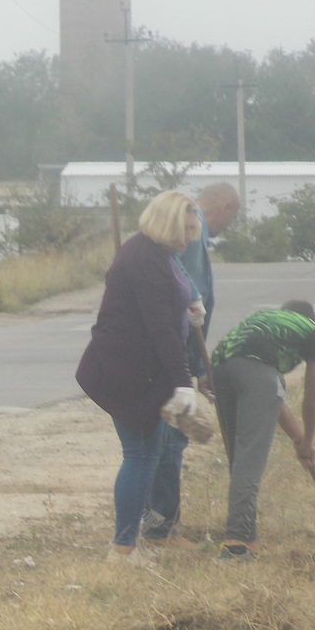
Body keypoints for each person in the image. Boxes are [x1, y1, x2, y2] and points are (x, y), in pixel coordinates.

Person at [76, 189, 203, 566]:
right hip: (128, 372)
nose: (190, 237)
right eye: (187, 228)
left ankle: (130, 540)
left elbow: (170, 306)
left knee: (150, 452)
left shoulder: (158, 253)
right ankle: (124, 547)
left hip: (142, 369)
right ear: (168, 224)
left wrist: (190, 304)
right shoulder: (145, 259)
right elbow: (159, 327)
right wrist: (183, 381)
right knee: (141, 455)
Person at [143, 182, 240, 548]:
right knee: (171, 435)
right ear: (227, 207)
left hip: (177, 346)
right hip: (178, 347)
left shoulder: (189, 225)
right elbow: (191, 290)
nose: (188, 235)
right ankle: (161, 528)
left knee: (164, 436)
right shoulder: (192, 224)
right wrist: (197, 366)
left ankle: (157, 521)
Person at [210, 299, 315, 560]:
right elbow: (311, 401)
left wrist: (298, 440)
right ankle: (237, 543)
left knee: (239, 457)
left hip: (219, 367)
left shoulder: (265, 321)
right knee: (250, 459)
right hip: (254, 371)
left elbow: (273, 397)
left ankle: (246, 536)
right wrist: (309, 440)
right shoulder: (314, 332)